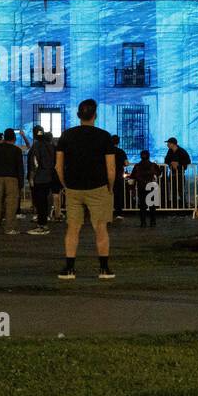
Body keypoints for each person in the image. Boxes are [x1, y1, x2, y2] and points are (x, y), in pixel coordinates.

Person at [55, 99, 117, 280]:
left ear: (78, 116)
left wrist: (65, 184)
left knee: (73, 228)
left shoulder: (66, 136)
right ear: (95, 116)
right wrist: (110, 187)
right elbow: (111, 168)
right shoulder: (104, 136)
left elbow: (58, 166)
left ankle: (69, 268)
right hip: (98, 187)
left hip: (73, 187)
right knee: (101, 228)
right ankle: (104, 269)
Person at [0, 129, 24, 235]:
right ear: (14, 139)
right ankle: (9, 228)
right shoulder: (16, 150)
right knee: (11, 204)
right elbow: (20, 167)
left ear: (4, 138)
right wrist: (21, 183)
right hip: (12, 178)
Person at [27, 126, 58, 236]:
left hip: (39, 178)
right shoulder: (50, 146)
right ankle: (44, 222)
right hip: (49, 177)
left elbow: (35, 163)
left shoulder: (36, 146)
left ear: (34, 134)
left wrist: (31, 177)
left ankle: (42, 225)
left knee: (39, 202)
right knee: (45, 201)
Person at [129, 150, 163, 228]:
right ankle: (153, 222)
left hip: (141, 187)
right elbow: (159, 174)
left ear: (140, 156)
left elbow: (132, 177)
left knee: (142, 206)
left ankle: (143, 223)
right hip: (152, 187)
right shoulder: (153, 165)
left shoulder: (137, 166)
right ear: (149, 156)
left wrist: (132, 188)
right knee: (152, 206)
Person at [164, 137, 191, 210]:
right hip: (172, 174)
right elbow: (166, 160)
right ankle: (175, 206)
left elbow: (188, 161)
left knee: (181, 191)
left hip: (180, 174)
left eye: (169, 143)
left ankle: (183, 207)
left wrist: (178, 164)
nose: (167, 145)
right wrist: (171, 163)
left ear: (173, 144)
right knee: (173, 191)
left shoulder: (182, 151)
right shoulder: (170, 151)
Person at [111, 135, 129, 221]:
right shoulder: (121, 152)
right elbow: (126, 163)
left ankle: (108, 213)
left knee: (108, 194)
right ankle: (119, 213)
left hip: (109, 176)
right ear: (118, 142)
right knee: (119, 194)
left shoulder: (108, 151)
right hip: (118, 175)